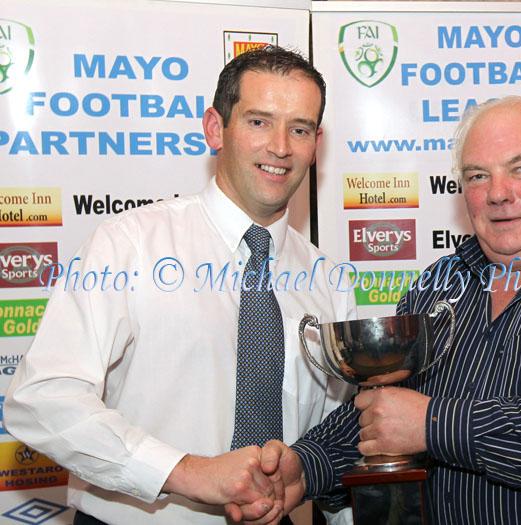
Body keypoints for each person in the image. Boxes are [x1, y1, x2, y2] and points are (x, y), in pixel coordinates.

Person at [258, 96, 521, 524]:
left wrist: (432, 424)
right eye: (478, 176)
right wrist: (304, 467)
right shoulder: (436, 286)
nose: (498, 194)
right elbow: (383, 412)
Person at [4, 46, 355, 525]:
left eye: (299, 128)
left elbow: (336, 433)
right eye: (258, 121)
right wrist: (186, 472)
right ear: (215, 128)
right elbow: (41, 398)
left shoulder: (329, 281)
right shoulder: (127, 246)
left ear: (317, 142)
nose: (280, 146)